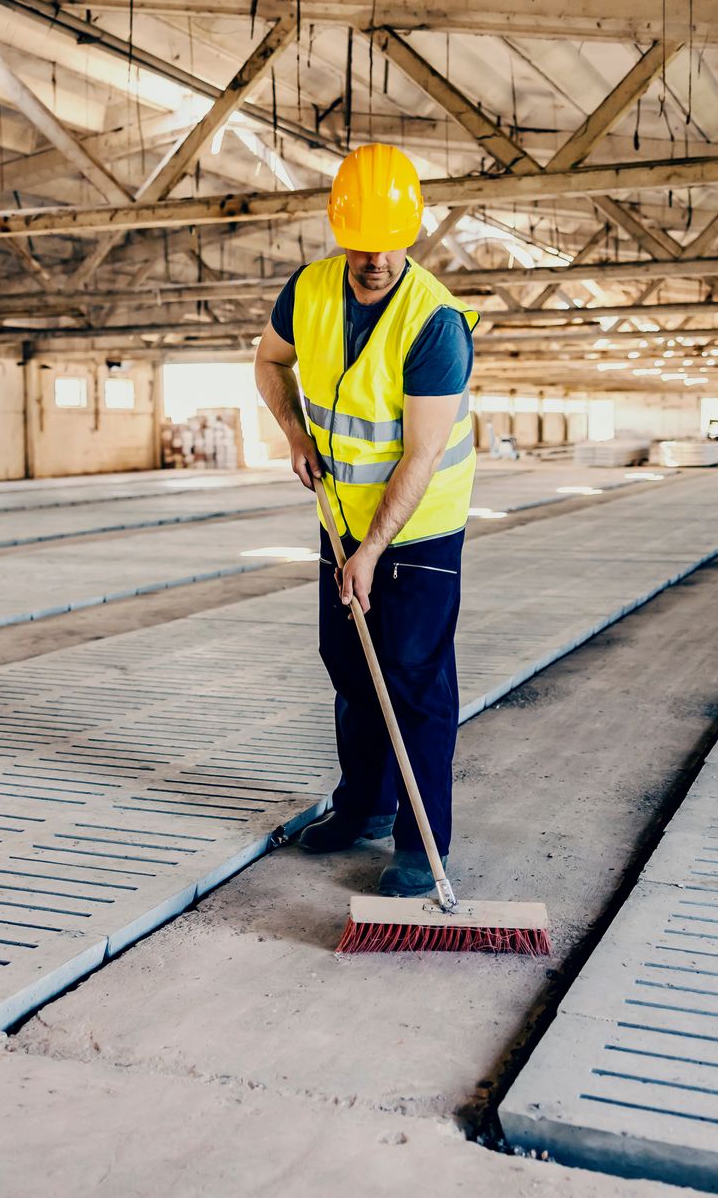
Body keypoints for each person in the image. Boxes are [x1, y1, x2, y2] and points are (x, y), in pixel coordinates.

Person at [252, 143, 478, 898]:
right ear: (338, 229)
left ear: (411, 234)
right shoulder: (307, 291)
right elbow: (270, 363)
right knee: (350, 668)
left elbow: (421, 453)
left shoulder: (434, 323)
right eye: (361, 243)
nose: (375, 260)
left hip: (418, 528)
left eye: (389, 243)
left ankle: (421, 843)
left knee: (412, 680)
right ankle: (365, 807)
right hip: (341, 517)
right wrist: (295, 434)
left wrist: (373, 550)